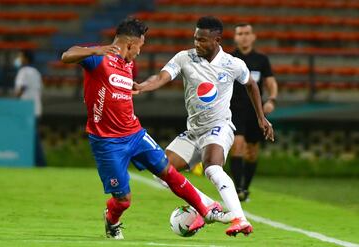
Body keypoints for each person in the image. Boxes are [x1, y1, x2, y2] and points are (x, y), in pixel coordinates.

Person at [61, 18, 224, 240]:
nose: (140, 51)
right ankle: (111, 220)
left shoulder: (128, 63)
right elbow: (66, 55)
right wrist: (96, 50)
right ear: (131, 43)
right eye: (141, 46)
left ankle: (206, 211)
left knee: (168, 171)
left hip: (135, 134)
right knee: (123, 200)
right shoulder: (99, 58)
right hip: (107, 141)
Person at [134, 16, 274, 237]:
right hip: (193, 131)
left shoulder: (232, 64)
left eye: (202, 40)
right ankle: (207, 206)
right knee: (161, 173)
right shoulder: (184, 58)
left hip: (219, 127)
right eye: (195, 39)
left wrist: (261, 118)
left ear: (217, 40)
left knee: (212, 168)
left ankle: (240, 218)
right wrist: (142, 86)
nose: (196, 44)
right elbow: (162, 77)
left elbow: (251, 85)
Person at [229, 23, 278, 202]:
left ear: (253, 37)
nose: (244, 36)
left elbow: (271, 82)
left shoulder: (261, 59)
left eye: (247, 33)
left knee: (252, 151)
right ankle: (237, 188)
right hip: (234, 110)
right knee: (238, 145)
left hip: (255, 111)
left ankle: (246, 188)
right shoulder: (230, 58)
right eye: (240, 33)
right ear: (235, 38)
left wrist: (272, 99)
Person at [14, 50, 46, 167]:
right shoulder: (36, 72)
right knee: (33, 135)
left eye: (20, 56)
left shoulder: (23, 71)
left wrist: (14, 101)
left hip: (26, 109)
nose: (19, 59)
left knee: (32, 137)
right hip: (36, 108)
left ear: (26, 59)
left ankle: (39, 162)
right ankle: (36, 161)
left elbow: (21, 88)